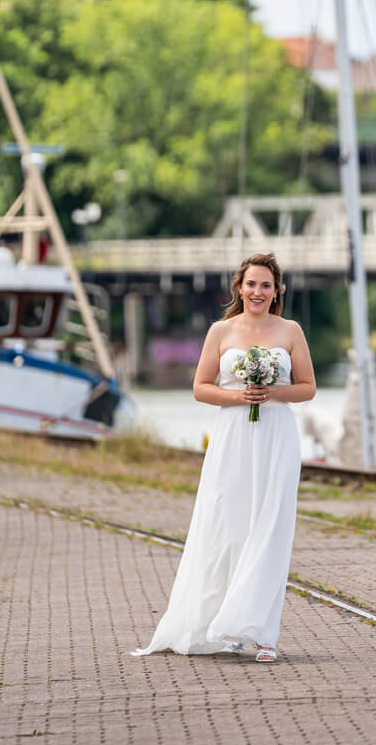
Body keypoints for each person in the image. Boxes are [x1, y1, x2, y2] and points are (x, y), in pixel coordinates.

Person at [132, 252, 315, 663]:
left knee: (270, 528)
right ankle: (228, 626)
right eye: (251, 284)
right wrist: (238, 396)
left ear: (277, 291)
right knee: (230, 527)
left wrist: (272, 391)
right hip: (232, 435)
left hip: (275, 436)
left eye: (266, 285)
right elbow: (200, 387)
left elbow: (307, 387)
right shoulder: (221, 330)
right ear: (239, 287)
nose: (257, 291)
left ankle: (264, 635)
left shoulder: (290, 330)